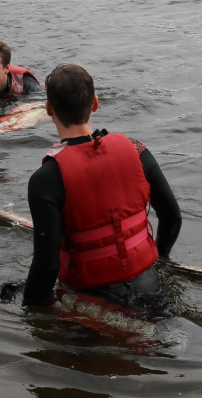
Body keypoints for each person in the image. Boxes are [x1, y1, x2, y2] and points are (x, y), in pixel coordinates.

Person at [21, 64, 182, 310]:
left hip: (90, 298)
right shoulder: (136, 150)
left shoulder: (45, 179)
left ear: (48, 109)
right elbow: (172, 218)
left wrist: (30, 309)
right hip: (150, 286)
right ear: (95, 103)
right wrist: (159, 259)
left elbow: (47, 265)